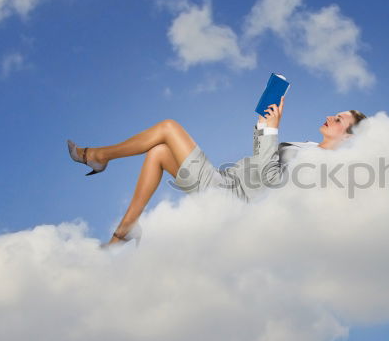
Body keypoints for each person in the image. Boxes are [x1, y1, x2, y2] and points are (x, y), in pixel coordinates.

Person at [67, 96, 367, 245]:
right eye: (335, 114)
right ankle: (123, 233)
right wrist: (264, 126)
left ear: (349, 137)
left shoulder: (320, 167)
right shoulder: (307, 147)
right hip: (226, 184)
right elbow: (263, 161)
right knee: (158, 152)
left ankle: (96, 156)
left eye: (339, 120)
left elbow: (270, 183)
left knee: (168, 128)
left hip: (233, 202)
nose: (330, 117)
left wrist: (270, 131)